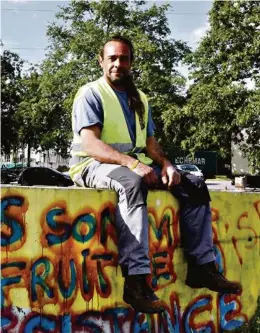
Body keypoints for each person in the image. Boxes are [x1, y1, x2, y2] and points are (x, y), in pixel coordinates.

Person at [69, 36, 241, 314]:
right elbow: (90, 144)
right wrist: (133, 165)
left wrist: (168, 165)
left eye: (124, 59)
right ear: (101, 61)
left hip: (132, 164)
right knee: (132, 183)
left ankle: (202, 267)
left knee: (195, 183)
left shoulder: (141, 98)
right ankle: (136, 281)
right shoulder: (91, 93)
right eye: (112, 58)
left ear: (131, 62)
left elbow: (151, 145)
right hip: (91, 165)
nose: (118, 64)